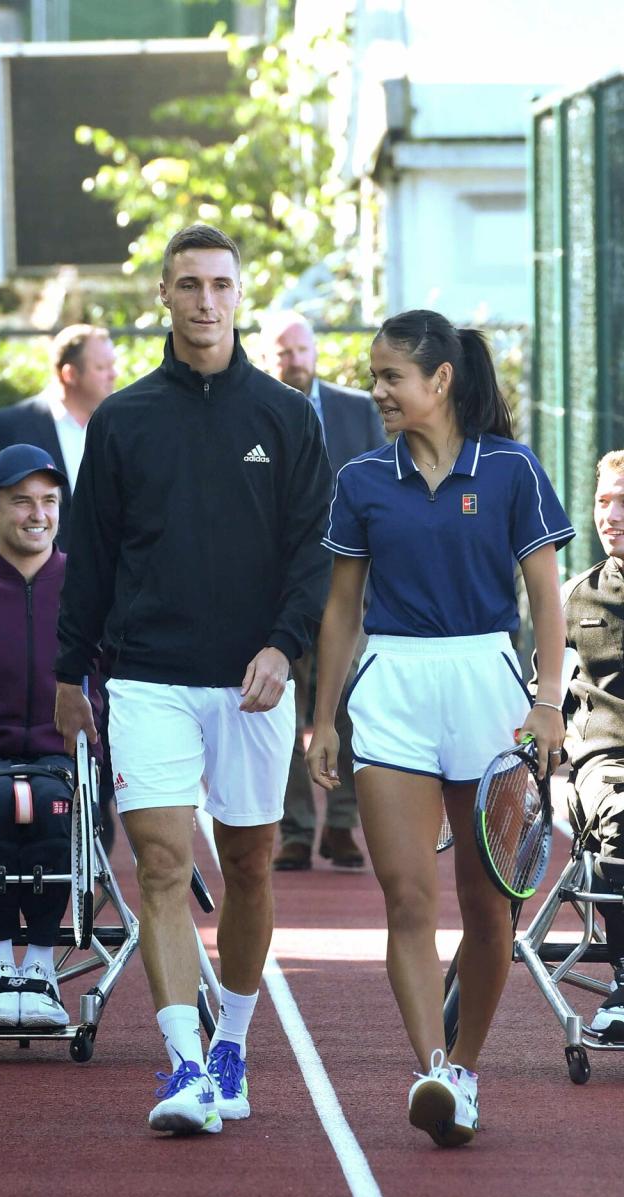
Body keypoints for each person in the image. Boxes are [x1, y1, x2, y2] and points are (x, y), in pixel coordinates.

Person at [54, 224, 332, 1136]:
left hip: (251, 681)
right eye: (189, 284)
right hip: (148, 680)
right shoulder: (123, 420)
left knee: (251, 863)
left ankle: (232, 1046)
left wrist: (283, 646)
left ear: (239, 295)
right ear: (164, 298)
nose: (206, 300)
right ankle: (181, 1065)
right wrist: (68, 672)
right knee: (163, 866)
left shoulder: (288, 418)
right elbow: (88, 560)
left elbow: (311, 556)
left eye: (221, 284)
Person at [307, 308, 572, 1147]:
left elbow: (546, 597)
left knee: (490, 907)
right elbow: (341, 608)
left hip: (488, 689)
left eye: (390, 377)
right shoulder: (359, 480)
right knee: (407, 898)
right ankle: (433, 1069)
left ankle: (465, 1064)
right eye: (374, 376)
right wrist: (323, 718)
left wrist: (548, 697)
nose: (376, 390)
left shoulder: (513, 470)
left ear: (440, 380)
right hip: (391, 692)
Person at [0, 443, 103, 1030]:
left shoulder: (91, 588)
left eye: (49, 502)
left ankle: (42, 967)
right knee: (7, 801)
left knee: (57, 808)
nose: (38, 514)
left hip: (68, 763)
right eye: (22, 501)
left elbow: (119, 676)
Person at [258, 310, 385, 871]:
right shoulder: (254, 412)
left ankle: (340, 824)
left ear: (316, 352)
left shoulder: (358, 410)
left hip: (347, 584)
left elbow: (384, 484)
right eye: (284, 352)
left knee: (349, 702)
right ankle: (294, 829)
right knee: (281, 705)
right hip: (277, 585)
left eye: (302, 350)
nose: (296, 361)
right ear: (267, 356)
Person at [0, 324, 117, 563]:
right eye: (102, 367)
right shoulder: (13, 424)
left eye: (113, 365)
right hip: (31, 585)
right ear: (70, 374)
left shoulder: (116, 429)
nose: (114, 374)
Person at [561, 450, 624, 1040]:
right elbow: (543, 689)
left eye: (623, 501)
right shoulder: (576, 596)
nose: (612, 514)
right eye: (604, 500)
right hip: (606, 761)